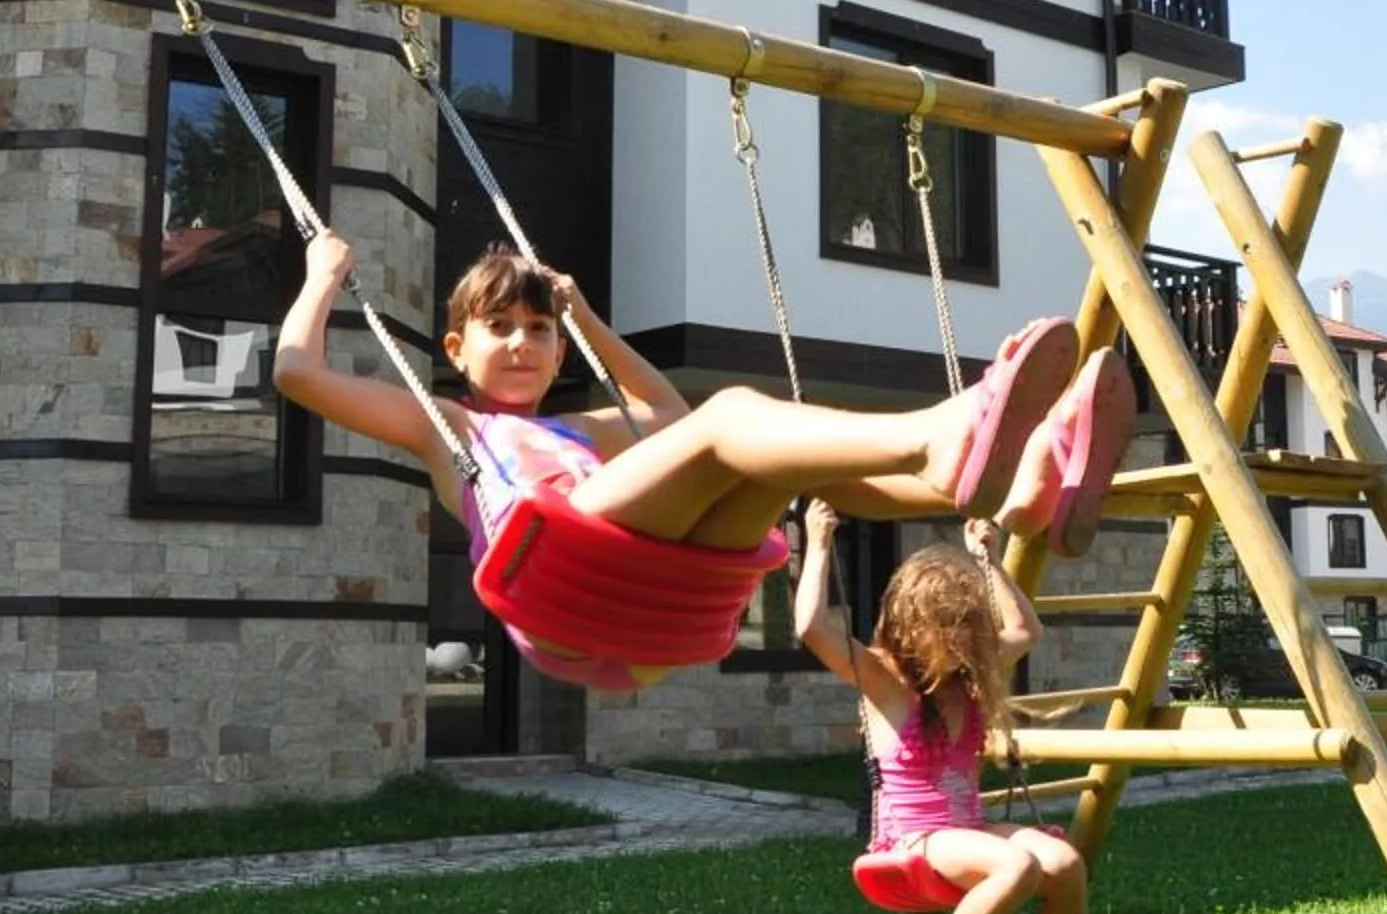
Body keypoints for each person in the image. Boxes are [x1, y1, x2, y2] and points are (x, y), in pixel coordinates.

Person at [273, 237, 1132, 683]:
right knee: (734, 419)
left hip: (651, 605)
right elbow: (298, 373)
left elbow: (662, 416)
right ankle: (941, 434)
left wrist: (588, 321)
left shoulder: (586, 434)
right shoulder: (450, 426)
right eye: (501, 329)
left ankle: (1016, 495)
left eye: (539, 330)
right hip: (556, 581)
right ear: (457, 348)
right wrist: (324, 272)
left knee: (779, 461)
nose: (525, 344)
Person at [796, 497, 1146, 914]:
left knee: (1062, 861)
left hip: (964, 832)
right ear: (913, 626)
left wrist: (990, 559)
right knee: (1018, 864)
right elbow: (812, 627)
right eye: (949, 627)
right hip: (910, 845)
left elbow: (1024, 629)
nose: (963, 639)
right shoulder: (887, 682)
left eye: (969, 624)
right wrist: (818, 543)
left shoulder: (970, 678)